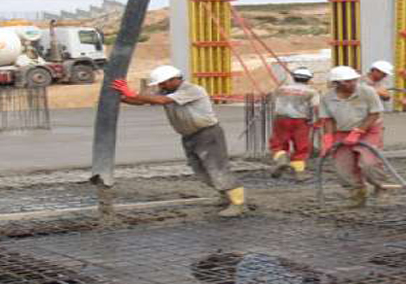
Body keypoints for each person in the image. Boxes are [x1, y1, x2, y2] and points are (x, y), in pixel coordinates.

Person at [111, 65, 247, 217]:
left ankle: (238, 204)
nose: (160, 86)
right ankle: (225, 196)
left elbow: (162, 101)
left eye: (163, 83)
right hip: (189, 136)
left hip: (208, 134)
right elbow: (144, 101)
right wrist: (122, 98)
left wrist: (132, 93)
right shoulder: (166, 91)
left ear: (174, 79)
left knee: (217, 168)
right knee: (201, 170)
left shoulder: (191, 89)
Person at [320, 65, 387, 208]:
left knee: (369, 163)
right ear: (336, 83)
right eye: (347, 81)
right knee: (342, 167)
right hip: (342, 131)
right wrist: (328, 139)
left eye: (353, 80)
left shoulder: (367, 92)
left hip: (368, 129)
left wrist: (358, 132)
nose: (352, 84)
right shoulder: (327, 97)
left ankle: (379, 185)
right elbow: (328, 119)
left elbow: (374, 113)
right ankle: (357, 191)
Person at [269, 67, 320, 180]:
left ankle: (282, 160)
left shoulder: (281, 89)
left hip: (280, 119)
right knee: (301, 146)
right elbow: (316, 107)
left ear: (294, 77)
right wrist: (318, 120)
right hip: (300, 121)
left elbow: (273, 101)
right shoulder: (311, 91)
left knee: (278, 143)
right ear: (308, 79)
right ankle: (299, 173)